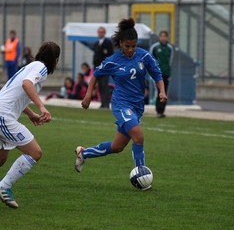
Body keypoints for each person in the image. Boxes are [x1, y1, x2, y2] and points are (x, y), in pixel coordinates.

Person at [74, 18, 167, 190]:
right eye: (127, 46)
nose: (130, 50)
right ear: (121, 44)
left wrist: (161, 91)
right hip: (121, 104)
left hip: (137, 107)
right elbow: (96, 74)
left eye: (133, 46)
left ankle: (84, 153)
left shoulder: (144, 56)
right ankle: (142, 177)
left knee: (117, 147)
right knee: (138, 136)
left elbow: (157, 74)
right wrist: (88, 95)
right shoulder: (113, 60)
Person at [0, 41, 60, 208]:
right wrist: (41, 107)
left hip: (3, 112)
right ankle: (3, 187)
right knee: (35, 152)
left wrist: (31, 114)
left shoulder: (30, 66)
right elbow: (27, 85)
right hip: (3, 115)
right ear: (56, 60)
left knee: (1, 157)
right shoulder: (41, 68)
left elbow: (17, 93)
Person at [150, 30, 174, 118]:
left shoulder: (170, 48)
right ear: (159, 37)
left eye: (165, 36)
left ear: (167, 37)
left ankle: (162, 111)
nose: (163, 38)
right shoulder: (155, 47)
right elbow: (151, 60)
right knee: (159, 91)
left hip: (166, 73)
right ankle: (158, 110)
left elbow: (170, 62)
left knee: (165, 92)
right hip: (157, 74)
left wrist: (170, 73)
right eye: (162, 36)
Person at [93, 27, 114, 109]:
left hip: (105, 68)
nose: (100, 34)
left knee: (104, 85)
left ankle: (106, 103)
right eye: (99, 32)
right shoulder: (96, 44)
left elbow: (110, 56)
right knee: (100, 86)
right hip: (97, 68)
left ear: (104, 33)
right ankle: (102, 102)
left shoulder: (108, 43)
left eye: (101, 32)